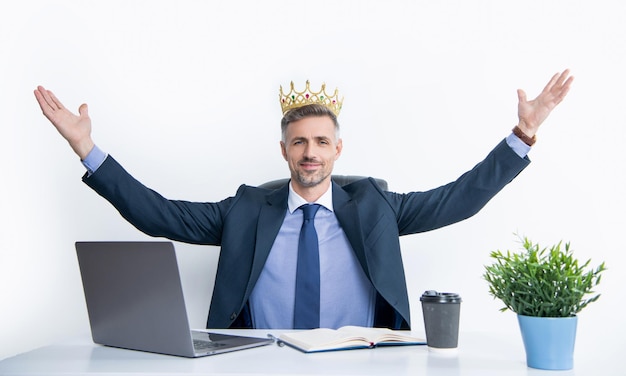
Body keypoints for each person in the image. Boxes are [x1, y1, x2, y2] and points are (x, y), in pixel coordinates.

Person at [34, 70, 573, 330]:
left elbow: (459, 199)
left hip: (362, 361)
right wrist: (86, 148)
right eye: (299, 143)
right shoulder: (248, 209)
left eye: (320, 143)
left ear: (338, 149)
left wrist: (520, 138)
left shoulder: (376, 206)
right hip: (261, 361)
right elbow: (160, 214)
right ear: (284, 151)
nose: (310, 154)